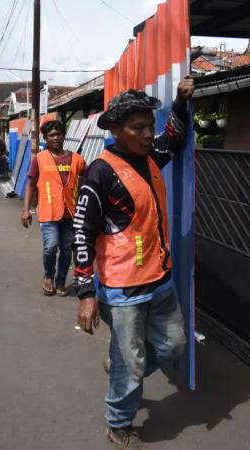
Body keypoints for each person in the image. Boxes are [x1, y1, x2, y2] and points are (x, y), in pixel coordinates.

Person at [73, 75, 195, 449]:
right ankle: (118, 422)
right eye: (138, 127)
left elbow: (173, 139)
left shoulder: (150, 157)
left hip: (159, 280)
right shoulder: (100, 173)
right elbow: (81, 233)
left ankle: (125, 370)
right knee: (131, 363)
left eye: (150, 127)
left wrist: (179, 102)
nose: (147, 134)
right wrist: (85, 293)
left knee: (173, 345)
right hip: (122, 290)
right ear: (116, 130)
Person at [21, 120, 86, 298]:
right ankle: (48, 276)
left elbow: (90, 180)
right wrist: (26, 210)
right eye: (51, 135)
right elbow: (30, 184)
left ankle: (61, 281)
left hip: (71, 214)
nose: (55, 138)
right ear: (46, 138)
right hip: (48, 212)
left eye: (58, 134)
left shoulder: (77, 159)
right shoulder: (40, 159)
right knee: (51, 247)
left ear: (63, 136)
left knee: (66, 250)